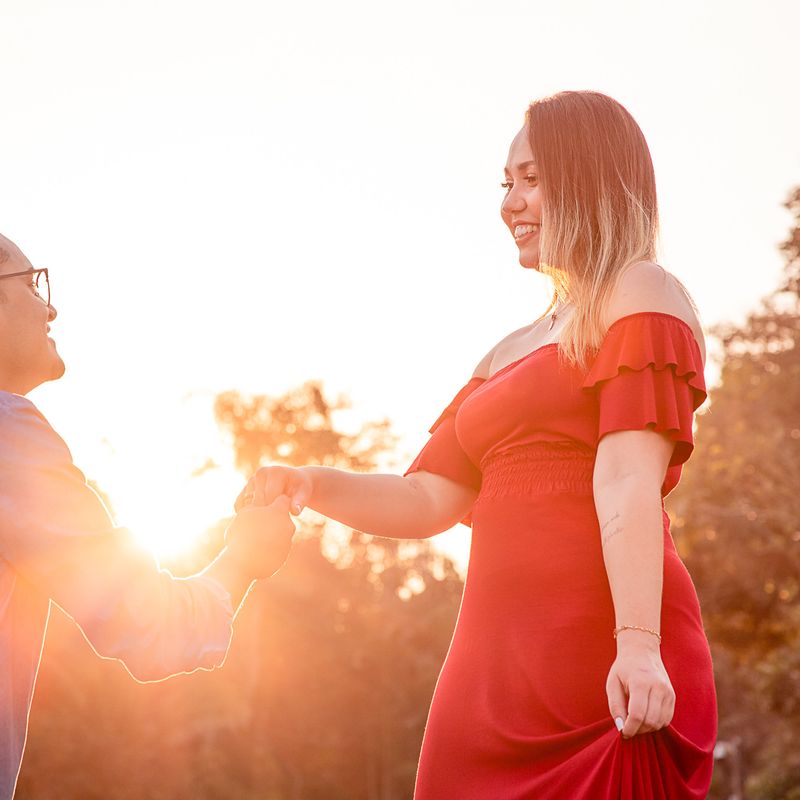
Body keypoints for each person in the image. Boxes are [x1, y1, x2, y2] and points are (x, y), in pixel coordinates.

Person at [242, 91, 718, 798]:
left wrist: (639, 648)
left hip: (606, 660)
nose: (509, 204)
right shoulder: (505, 352)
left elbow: (625, 479)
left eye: (531, 179)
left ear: (589, 176)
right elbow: (425, 497)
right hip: (488, 677)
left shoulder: (641, 292)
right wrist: (309, 481)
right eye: (506, 184)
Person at [0, 233, 296, 800]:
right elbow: (153, 627)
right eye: (32, 281)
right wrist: (243, 560)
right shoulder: (9, 435)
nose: (51, 306)